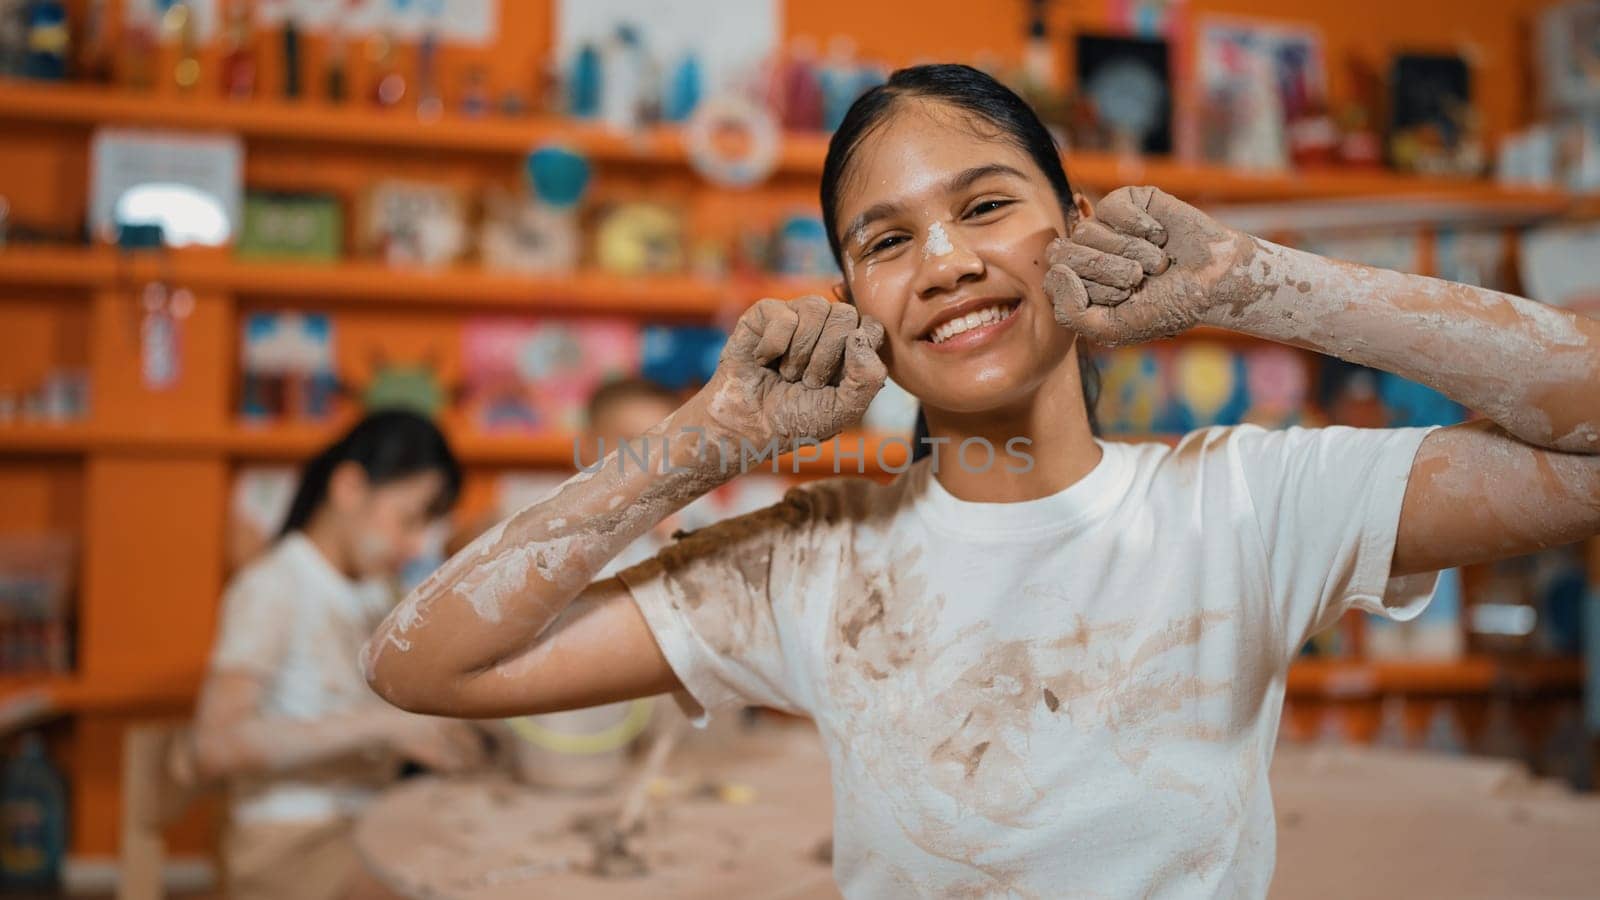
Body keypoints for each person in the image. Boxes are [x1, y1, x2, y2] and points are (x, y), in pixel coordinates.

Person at [360, 64, 1600, 898]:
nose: (943, 264)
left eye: (986, 207)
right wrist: (709, 438)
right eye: (887, 242)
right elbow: (421, 664)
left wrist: (1255, 282)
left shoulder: (1244, 504)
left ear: (1080, 225)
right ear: (857, 313)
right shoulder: (812, 558)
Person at [190, 410, 486, 900]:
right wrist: (383, 725)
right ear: (349, 487)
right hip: (288, 841)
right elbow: (214, 745)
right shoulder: (274, 585)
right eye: (409, 519)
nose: (416, 545)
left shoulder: (375, 594)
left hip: (368, 820)